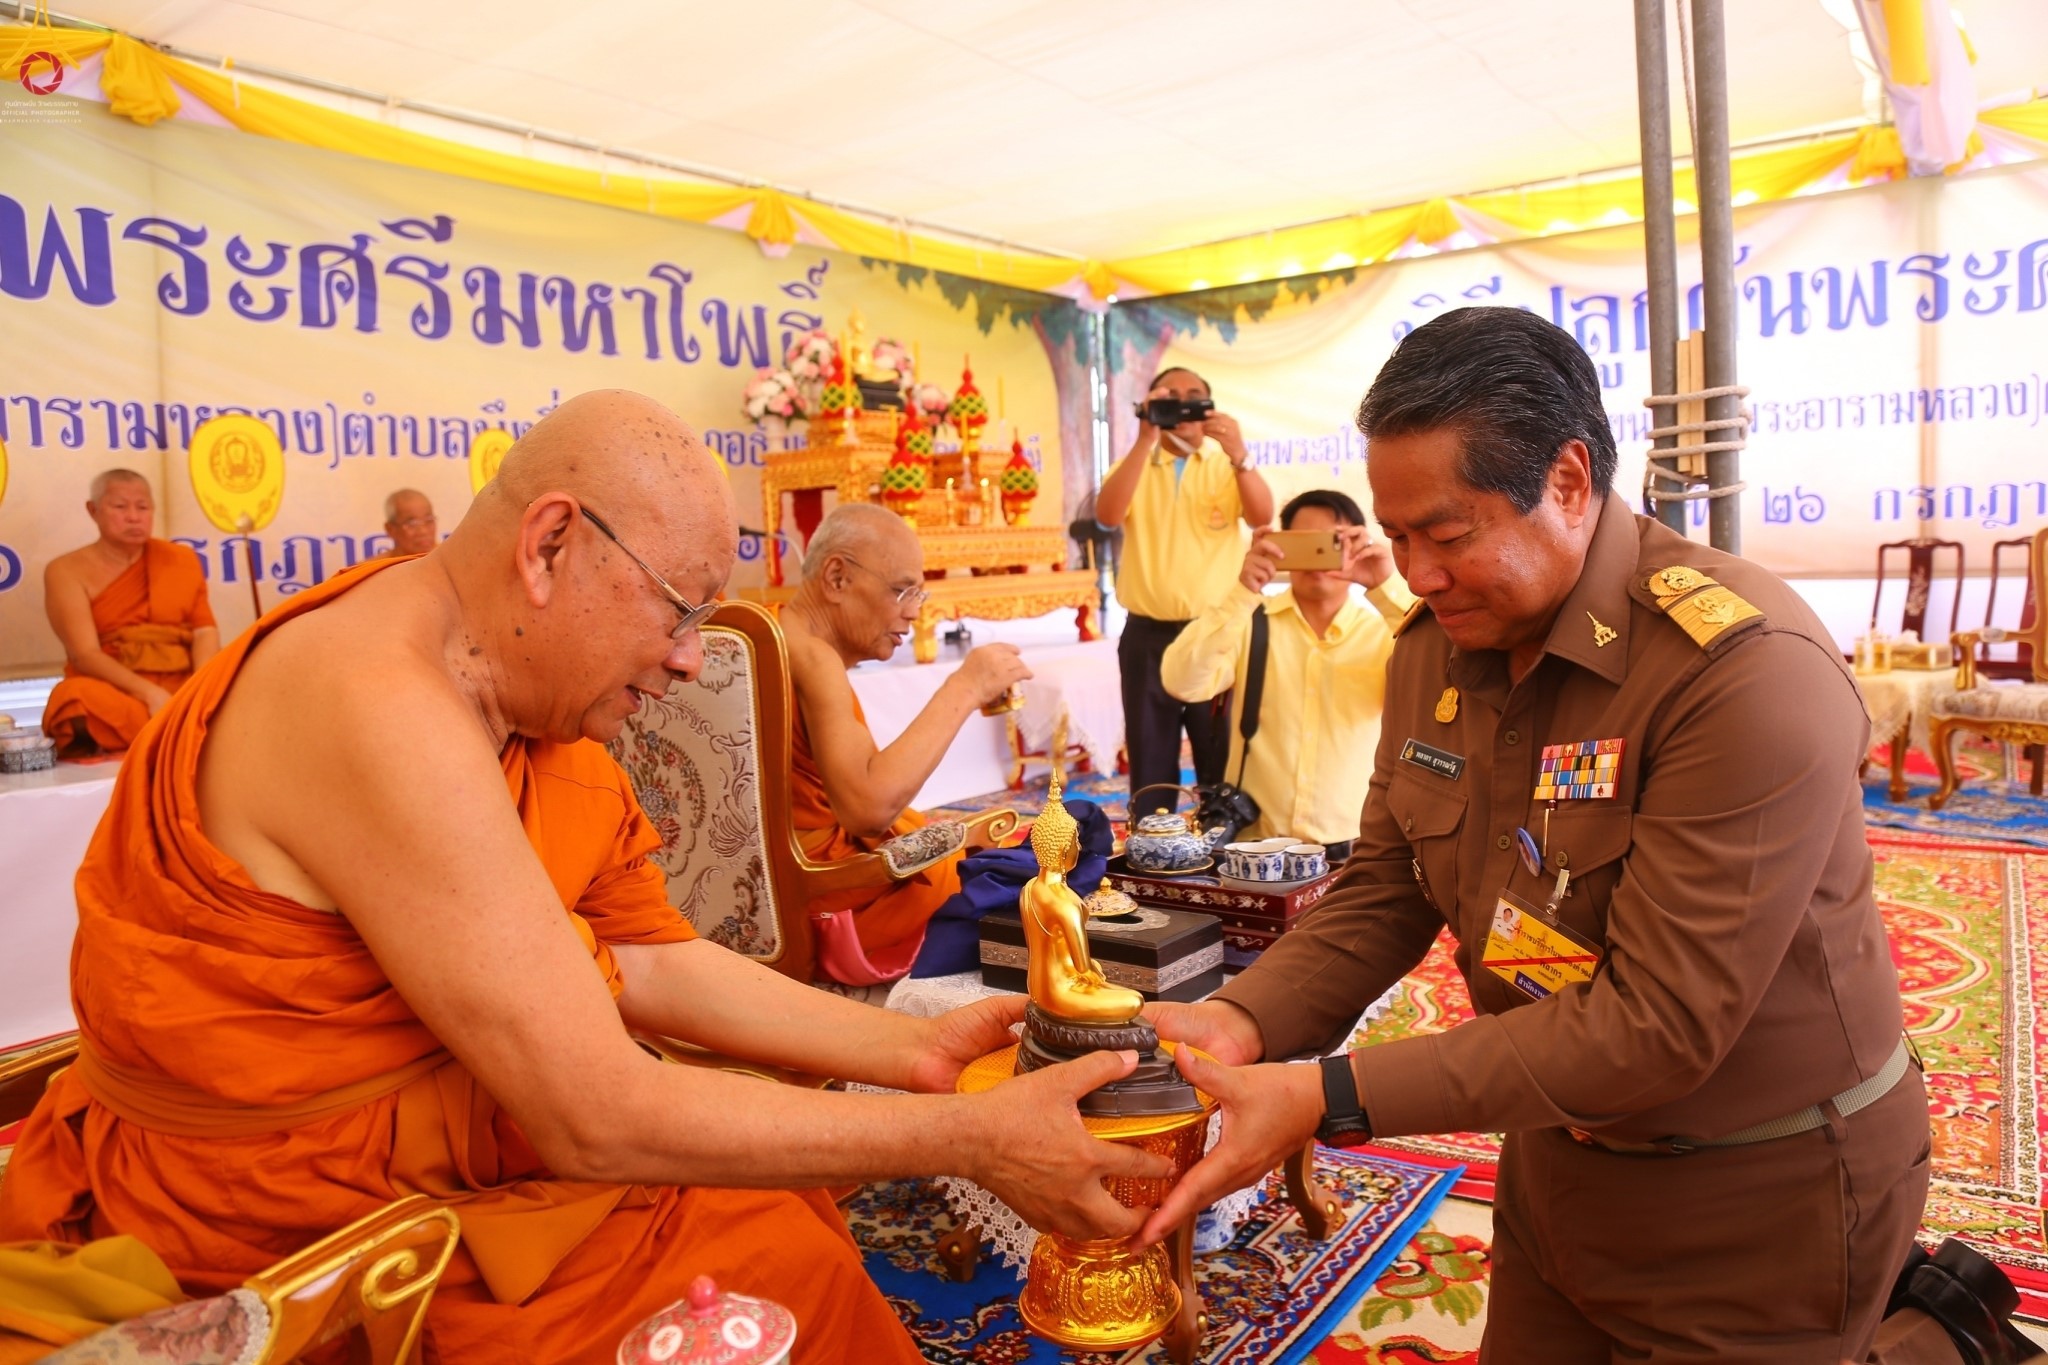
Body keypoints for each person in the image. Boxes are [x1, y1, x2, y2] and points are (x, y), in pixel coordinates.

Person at [0, 391, 1170, 1365]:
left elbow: (650, 957)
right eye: (675, 613)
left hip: (464, 1143)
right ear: (548, 543)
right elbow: (594, 1111)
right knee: (765, 1266)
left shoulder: (526, 712)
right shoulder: (373, 701)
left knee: (775, 1234)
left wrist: (914, 1055)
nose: (682, 659)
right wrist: (968, 1141)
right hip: (303, 1213)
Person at [1145, 308, 2032, 1364]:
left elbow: (1659, 1022)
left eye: (1446, 533)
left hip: (1757, 1196)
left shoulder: (1740, 669)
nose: (1414, 575)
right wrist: (1241, 1022)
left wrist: (1323, 1096)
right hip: (1555, 1153)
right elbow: (1384, 888)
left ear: (1567, 483)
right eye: (1400, 534)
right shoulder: (1437, 650)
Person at [780, 503, 1032, 979]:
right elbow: (868, 808)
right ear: (836, 577)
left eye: (919, 592)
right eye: (901, 590)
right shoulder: (813, 660)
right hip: (819, 905)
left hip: (749, 890)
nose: (914, 612)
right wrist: (965, 687)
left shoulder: (754, 633)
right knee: (1011, 880)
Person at [1158, 489, 1411, 852]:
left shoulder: (1387, 632)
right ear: (1280, 543)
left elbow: (1446, 673)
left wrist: (1385, 589)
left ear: (1358, 544)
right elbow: (1181, 681)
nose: (1316, 558)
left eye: (1331, 542)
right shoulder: (1249, 621)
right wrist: (1243, 590)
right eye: (1302, 543)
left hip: (1357, 843)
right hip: (1255, 841)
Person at [1093, 367, 1274, 815]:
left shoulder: (1225, 465)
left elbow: (1262, 516)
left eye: (1194, 396)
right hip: (1147, 636)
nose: (1183, 404)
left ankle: (1220, 837)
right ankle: (1153, 846)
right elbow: (1108, 515)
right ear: (1153, 406)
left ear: (1209, 409)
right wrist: (1144, 439)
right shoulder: (1136, 462)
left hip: (1215, 635)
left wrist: (1238, 453)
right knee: (1150, 754)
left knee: (1219, 751)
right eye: (1169, 396)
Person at [40, 470, 219, 758]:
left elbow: (204, 631)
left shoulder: (181, 561)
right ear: (93, 510)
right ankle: (180, 732)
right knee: (72, 699)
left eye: (143, 507)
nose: (134, 516)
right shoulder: (66, 571)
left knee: (239, 693)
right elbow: (84, 655)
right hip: (120, 690)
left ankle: (183, 723)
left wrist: (199, 691)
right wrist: (150, 694)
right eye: (120, 507)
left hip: (183, 686)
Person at [379, 488, 438, 556]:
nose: (423, 531)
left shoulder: (449, 560)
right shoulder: (380, 566)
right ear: (390, 529)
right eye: (412, 524)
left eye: (429, 520)